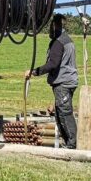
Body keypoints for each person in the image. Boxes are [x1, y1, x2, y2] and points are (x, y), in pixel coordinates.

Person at [26, 14, 79, 149]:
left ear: (55, 25)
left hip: (63, 82)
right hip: (67, 80)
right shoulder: (67, 40)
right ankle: (69, 142)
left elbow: (52, 64)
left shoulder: (58, 42)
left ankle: (72, 144)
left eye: (51, 26)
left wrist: (34, 71)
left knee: (64, 113)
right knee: (60, 111)